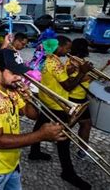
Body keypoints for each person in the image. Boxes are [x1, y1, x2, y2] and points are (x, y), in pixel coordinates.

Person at [0, 48, 67, 190]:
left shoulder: (11, 86)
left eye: (20, 72)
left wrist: (29, 98)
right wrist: (41, 135)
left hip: (12, 161)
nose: (19, 77)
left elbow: (31, 114)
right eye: (14, 73)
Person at [28, 36, 93, 189]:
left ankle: (34, 152)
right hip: (56, 104)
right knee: (64, 138)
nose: (69, 51)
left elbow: (57, 75)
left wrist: (69, 69)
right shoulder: (56, 64)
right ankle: (68, 172)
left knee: (40, 124)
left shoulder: (49, 59)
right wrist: (81, 73)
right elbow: (69, 87)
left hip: (47, 100)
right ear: (59, 47)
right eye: (66, 48)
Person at [68, 38, 93, 159]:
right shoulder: (72, 62)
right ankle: (61, 140)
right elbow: (71, 81)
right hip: (74, 99)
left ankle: (83, 150)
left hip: (81, 98)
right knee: (72, 125)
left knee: (85, 124)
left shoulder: (81, 61)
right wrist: (86, 76)